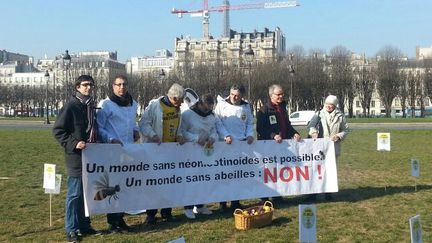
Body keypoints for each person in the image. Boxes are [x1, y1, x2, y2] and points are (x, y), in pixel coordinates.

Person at [53, 75, 100, 243]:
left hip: (91, 157)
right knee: (74, 195)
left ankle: (85, 225)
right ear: (78, 87)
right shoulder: (71, 106)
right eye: (85, 85)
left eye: (91, 85)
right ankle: (71, 229)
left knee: (85, 195)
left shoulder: (90, 106)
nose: (88, 88)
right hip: (76, 158)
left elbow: (93, 129)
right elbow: (58, 131)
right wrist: (74, 144)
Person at [96, 74, 139, 233]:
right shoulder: (106, 104)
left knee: (125, 185)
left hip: (129, 149)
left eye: (124, 84)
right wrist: (111, 138)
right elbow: (99, 126)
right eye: (118, 84)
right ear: (113, 86)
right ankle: (112, 221)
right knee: (113, 186)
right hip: (112, 150)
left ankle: (120, 218)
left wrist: (136, 131)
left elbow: (133, 122)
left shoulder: (133, 103)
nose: (122, 87)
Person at [138, 83, 186, 224]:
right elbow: (143, 124)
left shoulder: (177, 109)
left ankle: (167, 211)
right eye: (181, 99)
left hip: (171, 151)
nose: (183, 102)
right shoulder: (155, 106)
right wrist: (152, 135)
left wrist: (180, 135)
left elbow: (178, 127)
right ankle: (151, 214)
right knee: (154, 183)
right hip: (155, 150)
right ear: (174, 98)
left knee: (169, 182)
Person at [180, 93, 231, 219]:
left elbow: (214, 130)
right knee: (191, 179)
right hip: (190, 152)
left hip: (205, 152)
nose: (207, 111)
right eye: (205, 108)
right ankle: (188, 207)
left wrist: (213, 138)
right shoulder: (187, 115)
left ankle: (200, 205)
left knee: (204, 178)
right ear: (200, 104)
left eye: (209, 108)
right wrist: (196, 139)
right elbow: (182, 131)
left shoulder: (212, 116)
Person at [256, 84, 301, 203]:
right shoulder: (263, 110)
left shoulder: (282, 108)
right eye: (278, 94)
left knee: (279, 171)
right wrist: (273, 135)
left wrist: (294, 133)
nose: (281, 96)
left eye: (282, 94)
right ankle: (264, 197)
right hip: (268, 146)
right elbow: (260, 128)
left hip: (282, 146)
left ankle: (277, 195)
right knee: (268, 172)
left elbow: (287, 125)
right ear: (271, 95)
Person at [214, 84, 254, 211]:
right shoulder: (221, 104)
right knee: (224, 175)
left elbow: (249, 123)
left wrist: (249, 135)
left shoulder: (246, 106)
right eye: (232, 94)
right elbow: (217, 121)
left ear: (242, 95)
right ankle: (222, 202)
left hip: (240, 144)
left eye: (237, 95)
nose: (234, 97)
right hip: (225, 144)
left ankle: (235, 201)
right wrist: (225, 135)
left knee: (237, 175)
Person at [307, 95, 348, 200]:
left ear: (335, 105)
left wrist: (338, 136)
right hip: (319, 148)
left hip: (333, 148)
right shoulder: (319, 114)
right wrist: (313, 133)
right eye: (327, 104)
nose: (329, 106)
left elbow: (345, 130)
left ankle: (328, 194)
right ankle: (313, 194)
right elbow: (310, 125)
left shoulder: (340, 116)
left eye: (331, 105)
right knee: (316, 170)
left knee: (330, 171)